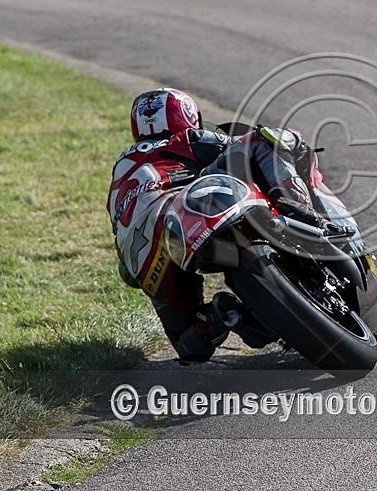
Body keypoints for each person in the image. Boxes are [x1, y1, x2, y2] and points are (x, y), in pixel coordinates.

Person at [107, 88, 322, 363]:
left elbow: (125, 272)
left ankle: (223, 317)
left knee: (189, 346)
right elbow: (239, 146)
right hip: (182, 211)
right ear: (186, 116)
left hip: (146, 261)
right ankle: (295, 206)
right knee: (260, 140)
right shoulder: (186, 138)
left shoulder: (120, 171)